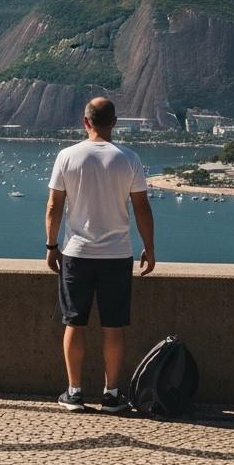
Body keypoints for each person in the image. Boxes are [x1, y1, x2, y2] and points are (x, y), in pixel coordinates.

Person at [45, 97, 155, 413]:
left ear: (86, 122)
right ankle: (111, 394)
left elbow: (54, 206)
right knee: (113, 326)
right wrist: (149, 247)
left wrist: (51, 246)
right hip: (118, 255)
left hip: (76, 254)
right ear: (114, 122)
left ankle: (74, 393)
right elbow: (142, 208)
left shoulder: (67, 156)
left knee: (74, 324)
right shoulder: (129, 158)